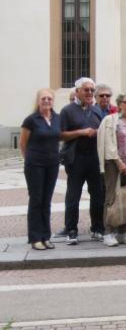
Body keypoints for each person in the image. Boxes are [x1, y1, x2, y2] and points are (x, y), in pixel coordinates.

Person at [58, 77, 105, 245]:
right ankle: (71, 230)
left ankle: (98, 228)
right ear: (77, 91)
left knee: (98, 195)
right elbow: (61, 134)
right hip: (75, 158)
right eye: (86, 90)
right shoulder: (67, 111)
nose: (90, 93)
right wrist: (82, 132)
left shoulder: (97, 110)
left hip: (94, 158)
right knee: (73, 196)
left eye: (92, 90)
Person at [98, 92, 126, 247]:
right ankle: (108, 232)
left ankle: (123, 232)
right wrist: (119, 163)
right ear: (119, 104)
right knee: (112, 197)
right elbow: (108, 143)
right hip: (113, 164)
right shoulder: (110, 121)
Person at [21, 89, 61, 250]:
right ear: (38, 101)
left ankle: (46, 236)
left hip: (52, 164)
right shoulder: (31, 120)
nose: (46, 101)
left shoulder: (57, 118)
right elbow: (23, 143)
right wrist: (30, 160)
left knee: (47, 201)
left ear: (53, 101)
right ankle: (35, 238)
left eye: (49, 99)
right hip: (35, 165)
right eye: (43, 98)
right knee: (36, 200)